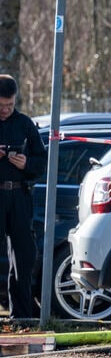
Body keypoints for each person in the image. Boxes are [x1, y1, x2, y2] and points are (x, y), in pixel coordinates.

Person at [0, 75, 46, 319]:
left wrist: (27, 162)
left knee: (23, 258)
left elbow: (42, 160)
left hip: (19, 194)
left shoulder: (24, 123)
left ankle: (21, 316)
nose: (6, 110)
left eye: (10, 105)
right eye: (1, 106)